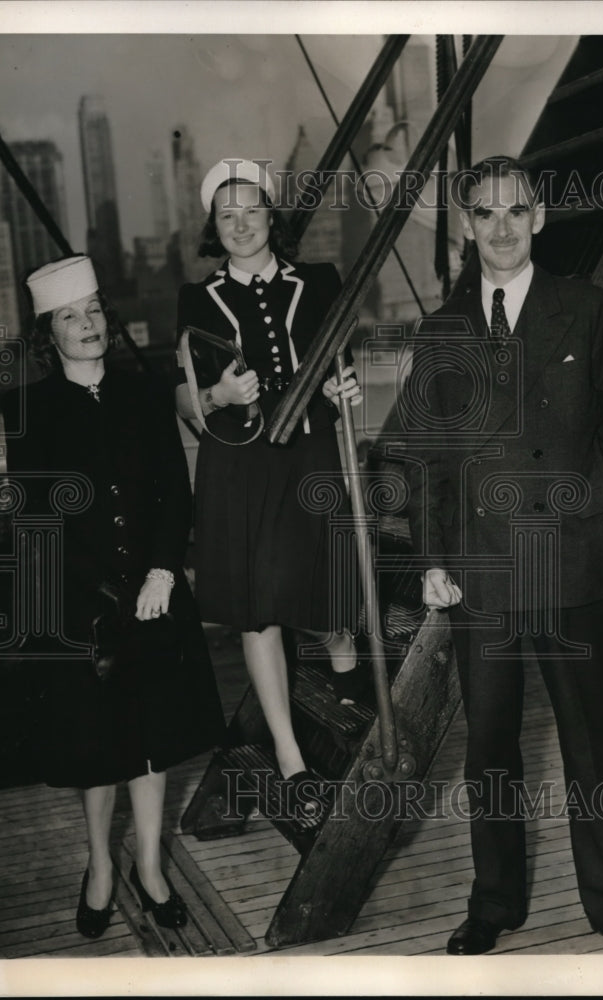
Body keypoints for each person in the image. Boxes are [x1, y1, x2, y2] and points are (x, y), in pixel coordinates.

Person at [406, 156, 603, 955]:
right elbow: (426, 457)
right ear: (466, 225)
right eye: (484, 214)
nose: (501, 228)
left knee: (590, 746)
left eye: (515, 211)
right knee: (488, 749)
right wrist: (432, 557)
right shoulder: (443, 331)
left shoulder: (588, 311)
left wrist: (573, 485)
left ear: (539, 216)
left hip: (571, 564)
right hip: (481, 571)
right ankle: (493, 904)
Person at [2, 254, 226, 939]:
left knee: (155, 740)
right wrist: (94, 597)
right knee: (97, 746)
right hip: (82, 609)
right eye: (71, 317)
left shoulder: (143, 393)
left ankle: (150, 868)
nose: (88, 324)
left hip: (154, 597)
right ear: (50, 334)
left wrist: (162, 573)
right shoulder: (31, 412)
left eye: (94, 310)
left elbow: (174, 494)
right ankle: (100, 865)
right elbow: (37, 520)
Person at [175, 158, 363, 824]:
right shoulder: (197, 299)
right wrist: (220, 395)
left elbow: (342, 359)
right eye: (227, 216)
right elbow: (184, 396)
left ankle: (342, 654)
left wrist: (345, 387)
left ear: (271, 218)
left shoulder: (318, 280)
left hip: (310, 451)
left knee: (327, 597)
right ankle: (289, 757)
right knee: (258, 609)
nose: (241, 224)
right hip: (241, 464)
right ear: (213, 229)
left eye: (251, 210)